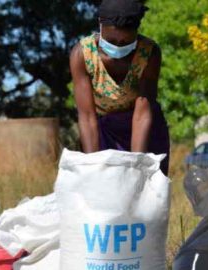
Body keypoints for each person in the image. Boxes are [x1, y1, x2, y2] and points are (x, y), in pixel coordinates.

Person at [70, 0, 170, 174]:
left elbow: (142, 113)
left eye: (125, 41)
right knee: (102, 188)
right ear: (100, 25)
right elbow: (87, 117)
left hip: (144, 130)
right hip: (103, 131)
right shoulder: (82, 54)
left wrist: (136, 165)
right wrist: (93, 166)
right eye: (111, 40)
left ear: (136, 33)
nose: (117, 45)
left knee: (144, 190)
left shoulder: (149, 53)